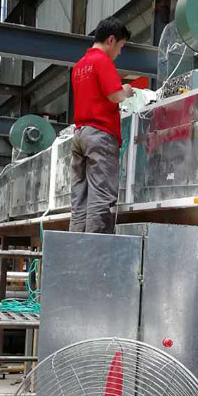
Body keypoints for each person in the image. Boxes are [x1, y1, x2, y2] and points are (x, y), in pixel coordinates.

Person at [69, 17, 135, 234]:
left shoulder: (79, 66)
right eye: (121, 47)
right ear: (111, 40)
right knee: (101, 197)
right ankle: (97, 250)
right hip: (100, 135)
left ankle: (75, 247)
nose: (119, 53)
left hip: (80, 135)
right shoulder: (102, 61)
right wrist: (127, 90)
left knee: (80, 201)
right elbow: (114, 95)